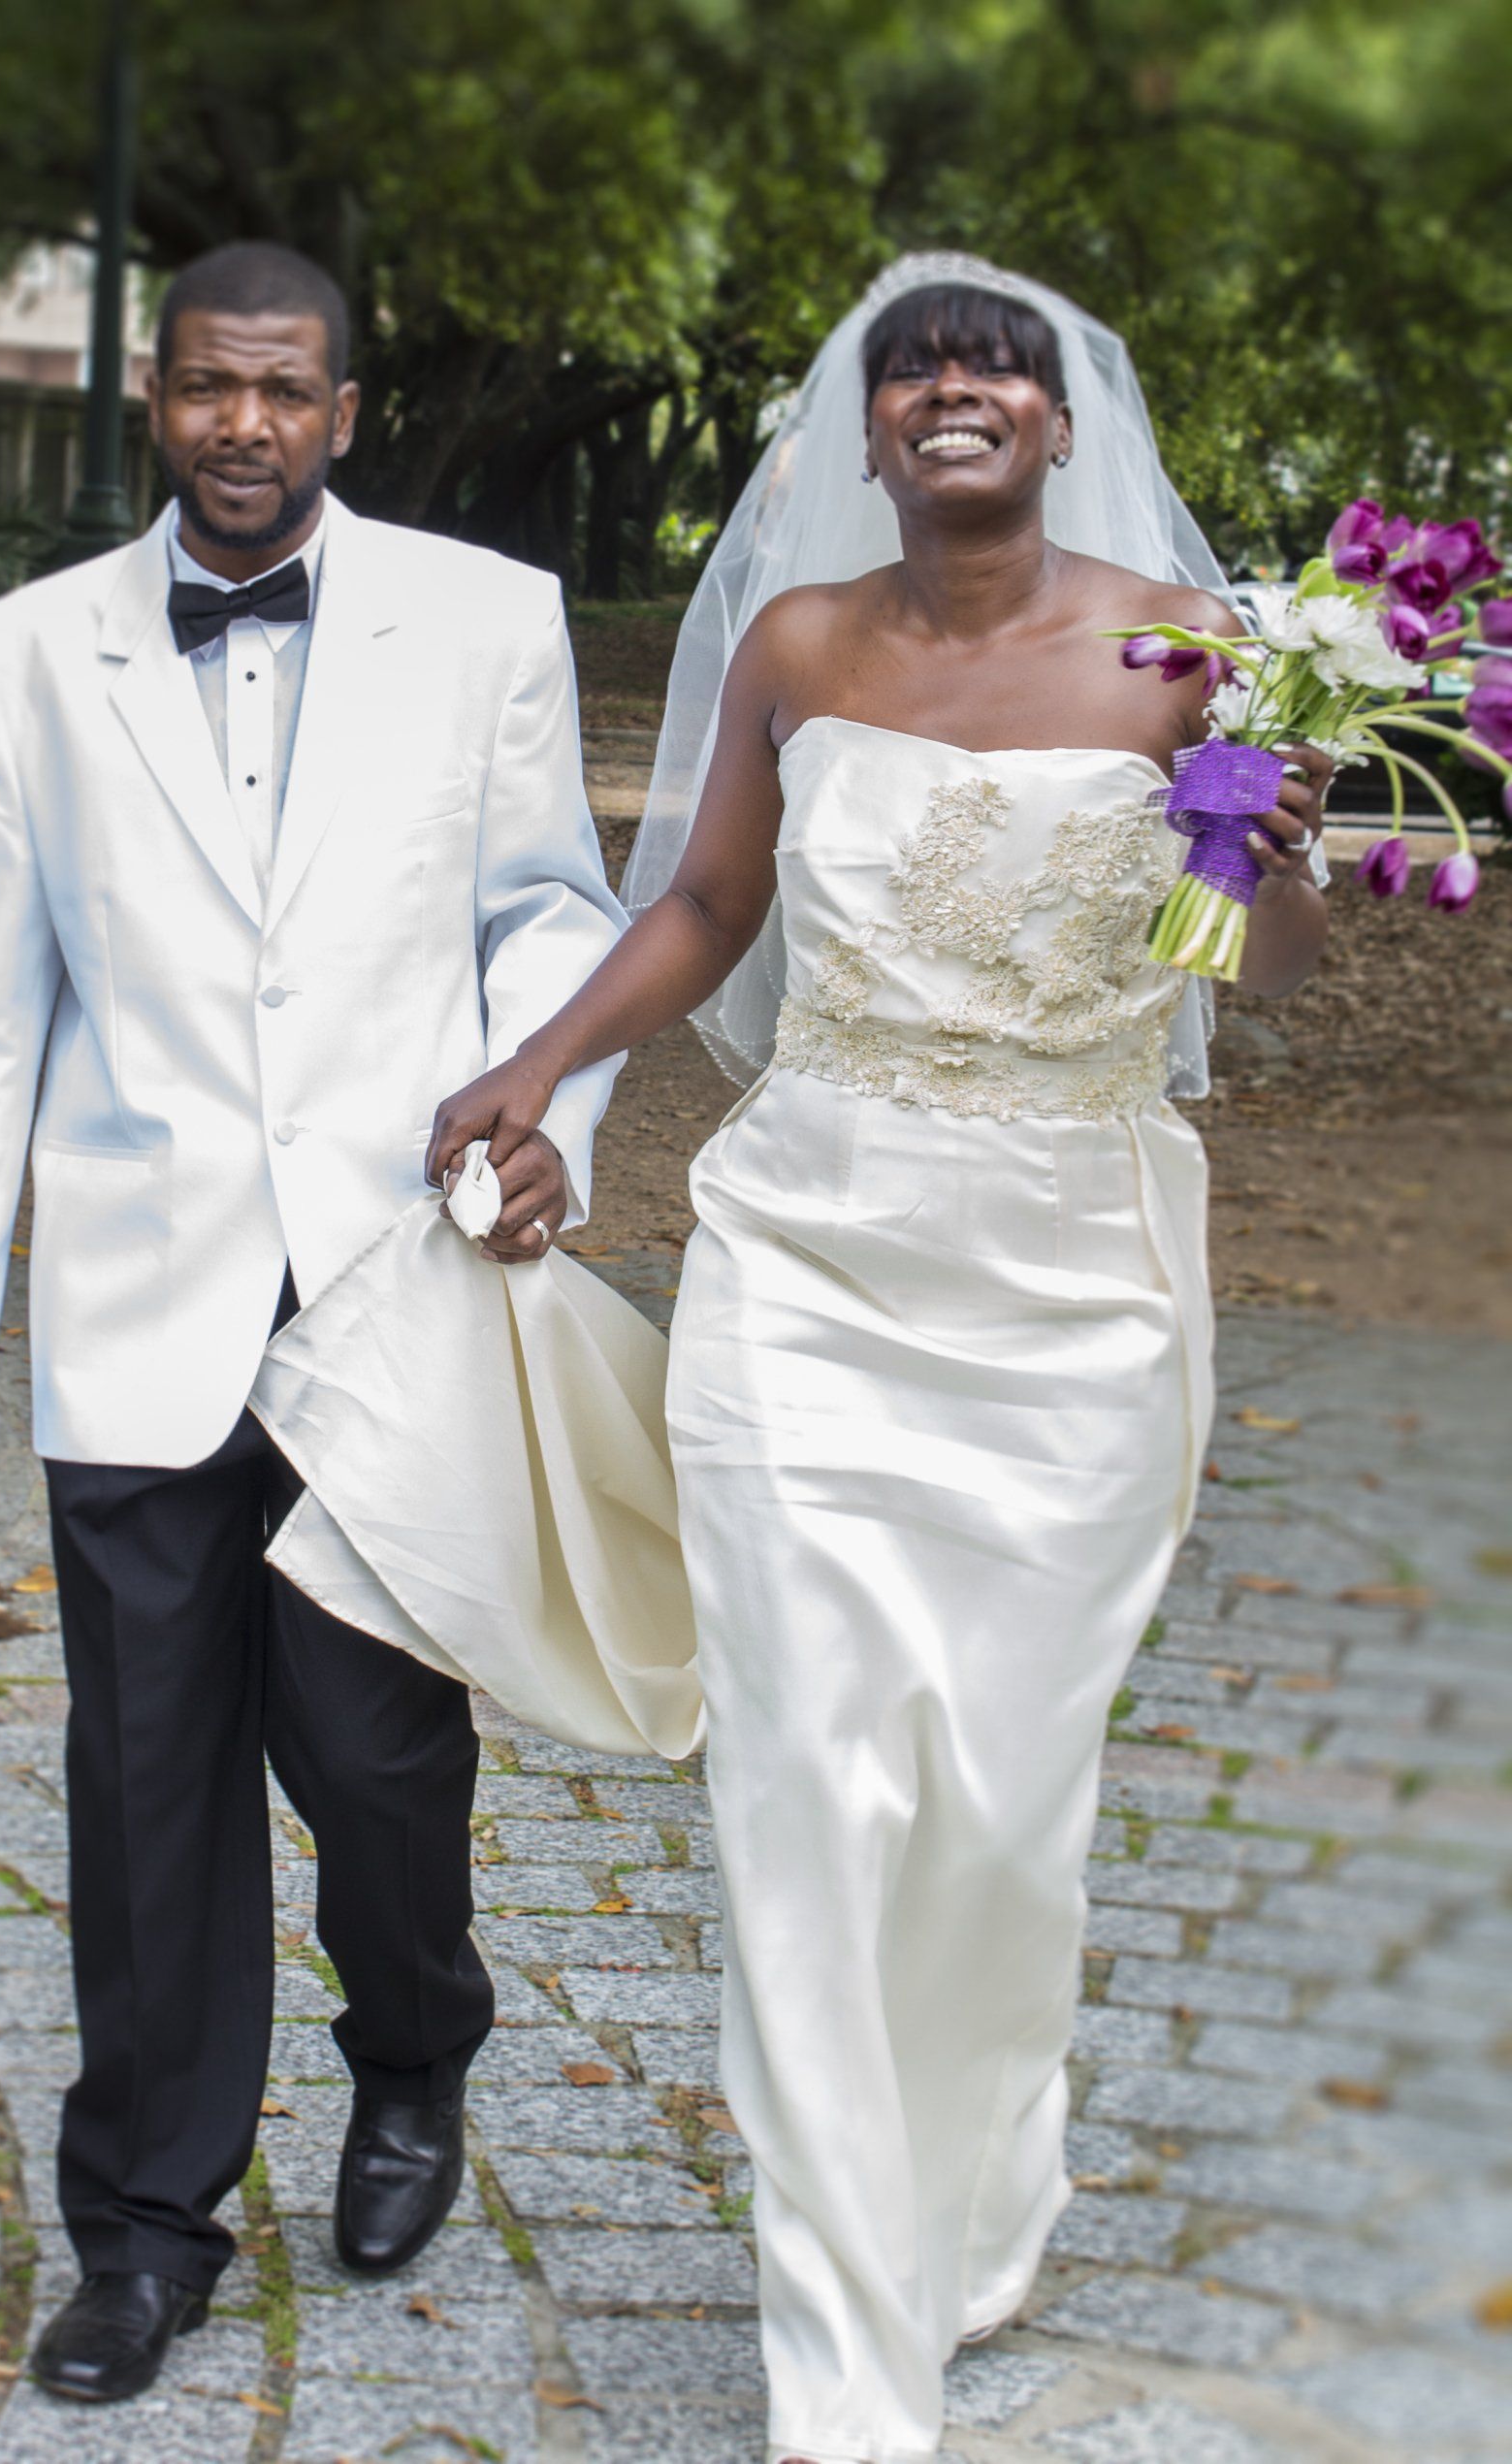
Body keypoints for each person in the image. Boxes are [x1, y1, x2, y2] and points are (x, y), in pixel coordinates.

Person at [429, 255, 1332, 2462]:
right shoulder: (800, 647)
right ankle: (846, 2363)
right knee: (812, 1796)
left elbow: (1247, 958)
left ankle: (982, 2183)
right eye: (917, 364)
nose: (954, 388)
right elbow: (713, 907)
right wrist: (534, 1067)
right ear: (862, 427)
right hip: (806, 1266)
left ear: (1056, 423)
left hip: (1075, 1291)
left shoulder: (1180, 655)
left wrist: (1280, 831)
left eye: (995, 367)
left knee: (1005, 1817)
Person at [0, 240, 626, 2406]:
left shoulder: (481, 621)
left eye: (285, 394)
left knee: (383, 1756)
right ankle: (144, 2224)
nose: (245, 427)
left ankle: (414, 2053)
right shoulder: (28, 659)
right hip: (140, 1301)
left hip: (394, 1288)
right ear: (156, 397)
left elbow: (548, 908)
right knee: (146, 1780)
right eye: (210, 388)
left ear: (347, 411)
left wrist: (539, 1110)